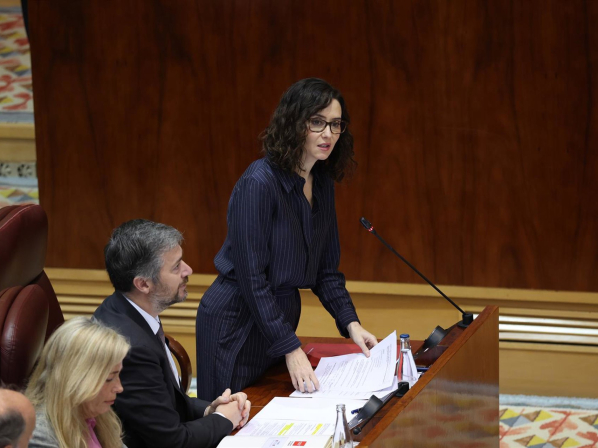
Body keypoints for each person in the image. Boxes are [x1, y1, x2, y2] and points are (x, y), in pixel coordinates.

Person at [195, 77, 378, 401]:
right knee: (230, 417)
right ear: (294, 123)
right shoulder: (258, 183)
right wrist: (290, 346)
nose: (328, 134)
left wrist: (351, 324)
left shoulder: (321, 183)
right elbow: (252, 279)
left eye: (336, 124)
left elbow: (326, 272)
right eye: (317, 122)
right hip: (236, 323)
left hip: (277, 321)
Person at [94, 220, 250, 448]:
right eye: (176, 267)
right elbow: (172, 441)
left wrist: (210, 409)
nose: (188, 270)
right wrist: (224, 419)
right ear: (143, 284)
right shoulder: (132, 349)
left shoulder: (127, 308)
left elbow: (165, 402)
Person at [25, 317, 129, 448]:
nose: (119, 388)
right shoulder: (39, 434)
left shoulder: (95, 414)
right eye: (109, 378)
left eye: (118, 375)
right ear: (76, 379)